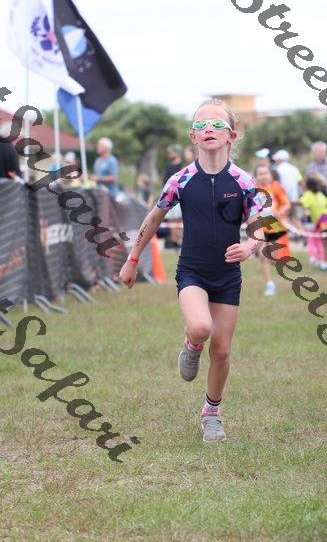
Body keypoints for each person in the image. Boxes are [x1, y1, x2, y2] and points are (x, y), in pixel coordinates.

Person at [119, 98, 265, 443]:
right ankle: (191, 343)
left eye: (216, 125)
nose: (208, 129)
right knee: (201, 327)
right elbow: (154, 217)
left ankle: (211, 413)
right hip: (192, 272)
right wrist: (132, 258)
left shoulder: (244, 181)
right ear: (192, 136)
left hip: (227, 275)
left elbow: (262, 222)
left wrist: (250, 246)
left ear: (231, 135)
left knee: (223, 350)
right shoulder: (180, 180)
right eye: (200, 125)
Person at [254, 163, 290, 296]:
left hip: (274, 226)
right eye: (260, 174)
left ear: (271, 175)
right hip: (258, 226)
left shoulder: (276, 187)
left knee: (274, 258)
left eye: (266, 173)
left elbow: (286, 204)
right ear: (256, 176)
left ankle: (275, 263)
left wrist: (279, 212)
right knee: (263, 255)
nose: (263, 176)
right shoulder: (253, 189)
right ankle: (269, 284)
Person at [300, 177, 327, 270]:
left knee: (325, 242)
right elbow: (326, 203)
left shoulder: (307, 195)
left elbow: (303, 205)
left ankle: (326, 262)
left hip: (323, 220)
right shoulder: (319, 194)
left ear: (307, 186)